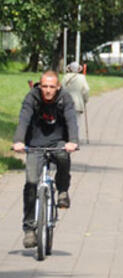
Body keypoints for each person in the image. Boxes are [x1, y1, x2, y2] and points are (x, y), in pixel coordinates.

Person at [12, 70, 79, 249]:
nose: (48, 90)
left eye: (52, 87)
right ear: (39, 86)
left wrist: (73, 141)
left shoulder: (65, 98)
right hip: (35, 144)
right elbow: (24, 119)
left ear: (58, 87)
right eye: (44, 86)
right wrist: (18, 141)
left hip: (58, 142)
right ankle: (29, 230)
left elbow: (71, 119)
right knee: (31, 183)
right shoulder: (32, 98)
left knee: (63, 158)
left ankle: (63, 191)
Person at [62, 62, 90, 141]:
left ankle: (67, 136)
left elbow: (61, 89)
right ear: (78, 69)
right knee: (77, 121)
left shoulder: (65, 77)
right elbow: (86, 90)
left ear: (69, 69)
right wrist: (85, 99)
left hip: (66, 101)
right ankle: (75, 137)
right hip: (78, 101)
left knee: (66, 119)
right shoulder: (82, 78)